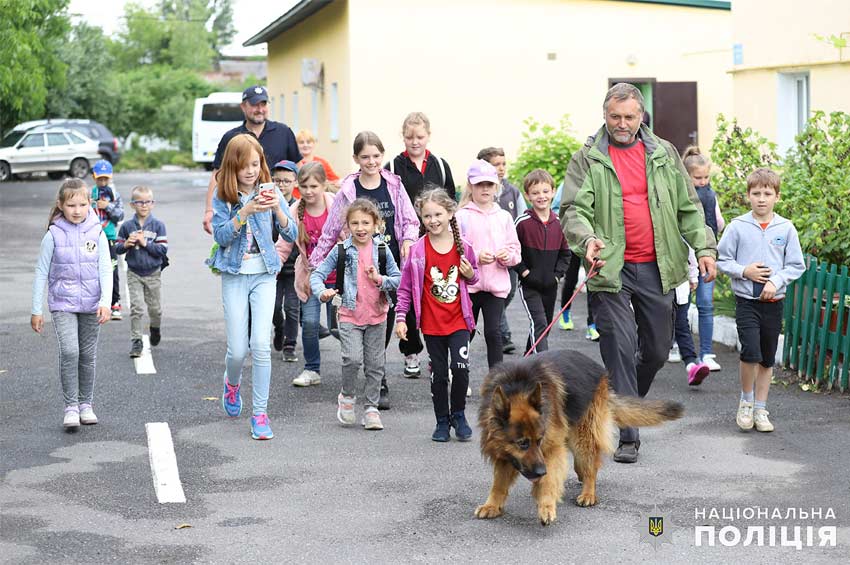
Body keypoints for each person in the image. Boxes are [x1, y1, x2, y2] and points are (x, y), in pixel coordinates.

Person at [560, 82, 717, 463]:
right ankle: (628, 435)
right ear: (605, 115)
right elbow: (572, 211)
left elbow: (688, 208)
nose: (622, 123)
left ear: (641, 116)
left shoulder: (663, 153)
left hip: (657, 265)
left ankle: (619, 405)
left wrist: (705, 248)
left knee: (658, 350)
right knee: (619, 345)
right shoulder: (588, 158)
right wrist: (588, 239)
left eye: (629, 116)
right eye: (615, 116)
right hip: (610, 268)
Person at [310, 131, 420, 410]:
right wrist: (313, 265)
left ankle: (376, 375)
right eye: (365, 157)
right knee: (362, 319)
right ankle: (372, 376)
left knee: (384, 320)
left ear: (382, 156)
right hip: (356, 269)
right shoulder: (348, 189)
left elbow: (409, 219)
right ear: (356, 159)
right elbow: (331, 229)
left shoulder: (394, 184)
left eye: (376, 156)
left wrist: (408, 239)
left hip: (389, 264)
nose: (372, 161)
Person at [206, 134, 298, 440]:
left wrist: (276, 210)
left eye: (256, 164)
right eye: (244, 165)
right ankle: (231, 384)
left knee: (260, 345)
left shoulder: (269, 191)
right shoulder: (224, 195)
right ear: (233, 166)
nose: (250, 171)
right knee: (237, 350)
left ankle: (260, 413)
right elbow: (220, 236)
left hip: (264, 274)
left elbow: (291, 231)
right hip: (234, 273)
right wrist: (243, 213)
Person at [717, 168, 804, 433]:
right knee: (750, 352)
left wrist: (775, 281)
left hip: (773, 304)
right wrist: (745, 271)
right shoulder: (737, 227)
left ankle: (761, 408)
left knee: (766, 359)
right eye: (756, 193)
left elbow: (796, 265)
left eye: (767, 193)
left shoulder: (786, 228)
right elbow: (722, 260)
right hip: (747, 302)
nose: (762, 199)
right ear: (748, 196)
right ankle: (746, 401)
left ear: (777, 196)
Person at [396, 187, 480, 441]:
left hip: (459, 321)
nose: (433, 221)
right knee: (439, 374)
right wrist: (401, 317)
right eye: (427, 216)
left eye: (438, 214)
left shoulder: (463, 247)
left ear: (450, 212)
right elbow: (406, 288)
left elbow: (474, 275)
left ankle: (460, 414)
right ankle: (442, 420)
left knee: (461, 368)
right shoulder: (418, 251)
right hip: (431, 325)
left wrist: (469, 274)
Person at [311, 198, 401, 431]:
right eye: (355, 223)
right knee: (352, 359)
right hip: (349, 313)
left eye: (365, 223)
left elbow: (399, 279)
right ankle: (347, 396)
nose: (360, 228)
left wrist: (379, 279)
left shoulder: (382, 250)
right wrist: (322, 292)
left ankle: (371, 408)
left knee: (375, 364)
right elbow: (317, 275)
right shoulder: (341, 249)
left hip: (377, 315)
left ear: (376, 224)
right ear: (347, 226)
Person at [31, 179, 112, 429]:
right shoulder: (53, 233)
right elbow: (41, 271)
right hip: (62, 304)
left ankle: (86, 405)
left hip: (91, 304)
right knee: (70, 352)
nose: (77, 210)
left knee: (87, 355)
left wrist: (106, 302)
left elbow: (106, 269)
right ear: (61, 205)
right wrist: (36, 309)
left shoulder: (97, 232)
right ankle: (71, 407)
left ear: (90, 204)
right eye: (71, 205)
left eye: (82, 204)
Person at [385, 112, 456, 376]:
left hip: (438, 238)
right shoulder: (393, 166)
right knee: (409, 294)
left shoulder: (439, 163)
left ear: (428, 135)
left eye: (420, 137)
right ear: (403, 137)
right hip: (407, 240)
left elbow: (450, 202)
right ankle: (411, 351)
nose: (415, 142)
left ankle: (437, 353)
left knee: (435, 292)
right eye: (409, 137)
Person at [202, 86, 301, 234]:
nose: (260, 109)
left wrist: (299, 204)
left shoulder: (283, 132)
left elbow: (298, 168)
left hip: (279, 206)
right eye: (254, 105)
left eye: (263, 104)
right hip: (241, 210)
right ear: (243, 107)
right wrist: (209, 210)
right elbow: (218, 174)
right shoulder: (231, 137)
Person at [455, 160, 521, 369]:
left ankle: (497, 380)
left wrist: (506, 256)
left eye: (489, 184)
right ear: (470, 186)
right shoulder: (461, 216)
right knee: (467, 330)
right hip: (469, 286)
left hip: (495, 287)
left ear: (496, 187)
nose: (485, 189)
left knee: (494, 333)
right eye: (479, 184)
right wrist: (475, 256)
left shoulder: (504, 217)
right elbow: (453, 250)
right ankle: (458, 371)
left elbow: (515, 251)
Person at [276, 162, 336, 386]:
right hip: (310, 278)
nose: (309, 191)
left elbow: (352, 237)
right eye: (304, 187)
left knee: (338, 327)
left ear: (324, 185)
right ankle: (312, 369)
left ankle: (355, 363)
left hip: (336, 279)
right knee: (310, 323)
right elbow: (283, 245)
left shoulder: (336, 206)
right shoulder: (294, 211)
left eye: (314, 186)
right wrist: (271, 269)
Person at [477, 146, 527, 354]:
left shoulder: (512, 191)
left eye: (503, 164)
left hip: (508, 254)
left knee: (509, 291)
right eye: (496, 164)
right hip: (485, 259)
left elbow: (522, 217)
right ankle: (502, 332)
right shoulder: (478, 193)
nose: (501, 168)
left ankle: (497, 323)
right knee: (493, 295)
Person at [514, 169, 570, 354]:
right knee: (539, 324)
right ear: (528, 195)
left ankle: (527, 362)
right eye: (536, 192)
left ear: (553, 192)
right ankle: (542, 370)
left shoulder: (560, 223)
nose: (541, 196)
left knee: (544, 328)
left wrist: (556, 277)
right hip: (530, 286)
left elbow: (565, 254)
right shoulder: (522, 222)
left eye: (545, 191)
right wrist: (524, 273)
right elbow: (513, 250)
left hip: (550, 286)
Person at [681, 146, 726, 371]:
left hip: (704, 256)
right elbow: (719, 224)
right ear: (686, 176)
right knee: (685, 305)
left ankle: (706, 352)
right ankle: (685, 348)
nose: (703, 181)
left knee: (704, 305)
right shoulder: (682, 196)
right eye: (698, 178)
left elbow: (720, 221)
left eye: (706, 177)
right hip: (687, 258)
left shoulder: (710, 193)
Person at [115, 186, 168, 358]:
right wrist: (126, 244)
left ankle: (155, 327)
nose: (144, 205)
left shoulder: (159, 226)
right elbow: (117, 248)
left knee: (155, 309)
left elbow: (162, 250)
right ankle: (136, 341)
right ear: (132, 205)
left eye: (147, 202)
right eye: (140, 202)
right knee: (136, 308)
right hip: (134, 273)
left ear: (152, 204)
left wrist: (145, 243)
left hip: (153, 273)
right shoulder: (127, 227)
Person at [553, 181, 598, 340]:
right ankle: (565, 314)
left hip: (594, 239)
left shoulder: (599, 179)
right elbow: (556, 209)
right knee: (571, 279)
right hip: (572, 239)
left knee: (593, 280)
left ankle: (592, 324)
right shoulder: (567, 184)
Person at [270, 160, 301, 362]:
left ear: (295, 182)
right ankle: (279, 328)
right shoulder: (268, 205)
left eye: (286, 181)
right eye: (277, 181)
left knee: (291, 306)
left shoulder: (298, 207)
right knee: (273, 307)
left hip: (294, 268)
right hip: (272, 266)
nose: (281, 185)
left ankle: (290, 344)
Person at [669, 246, 711, 385]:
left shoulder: (683, 229)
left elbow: (690, 253)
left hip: (679, 284)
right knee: (649, 324)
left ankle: (691, 365)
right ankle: (637, 361)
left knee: (681, 324)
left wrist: (693, 277)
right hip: (653, 285)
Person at [91, 160, 124, 320]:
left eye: (106, 179)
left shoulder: (115, 195)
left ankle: (115, 302)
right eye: (100, 179)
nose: (103, 182)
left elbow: (120, 216)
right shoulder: (90, 194)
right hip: (92, 237)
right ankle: (95, 302)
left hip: (110, 236)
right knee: (92, 269)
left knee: (112, 269)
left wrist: (107, 206)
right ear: (94, 177)